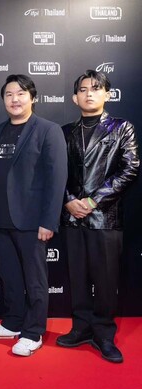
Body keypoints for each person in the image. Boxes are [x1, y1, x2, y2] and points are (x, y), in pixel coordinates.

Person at [56, 70, 139, 363]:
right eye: (83, 89)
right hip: (71, 218)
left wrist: (93, 201)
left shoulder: (121, 128)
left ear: (107, 94)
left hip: (105, 218)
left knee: (105, 280)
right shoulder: (64, 132)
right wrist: (68, 201)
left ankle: (104, 333)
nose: (89, 93)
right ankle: (80, 328)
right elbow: (55, 172)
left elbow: (130, 168)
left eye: (96, 88)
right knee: (76, 277)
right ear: (74, 97)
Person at [0, 74, 67, 357]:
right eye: (8, 94)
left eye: (20, 93)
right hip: (0, 219)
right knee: (9, 277)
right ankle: (13, 322)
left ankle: (33, 332)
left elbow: (56, 179)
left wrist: (49, 220)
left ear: (33, 98)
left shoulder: (48, 130)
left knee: (35, 280)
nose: (14, 99)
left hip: (32, 221)